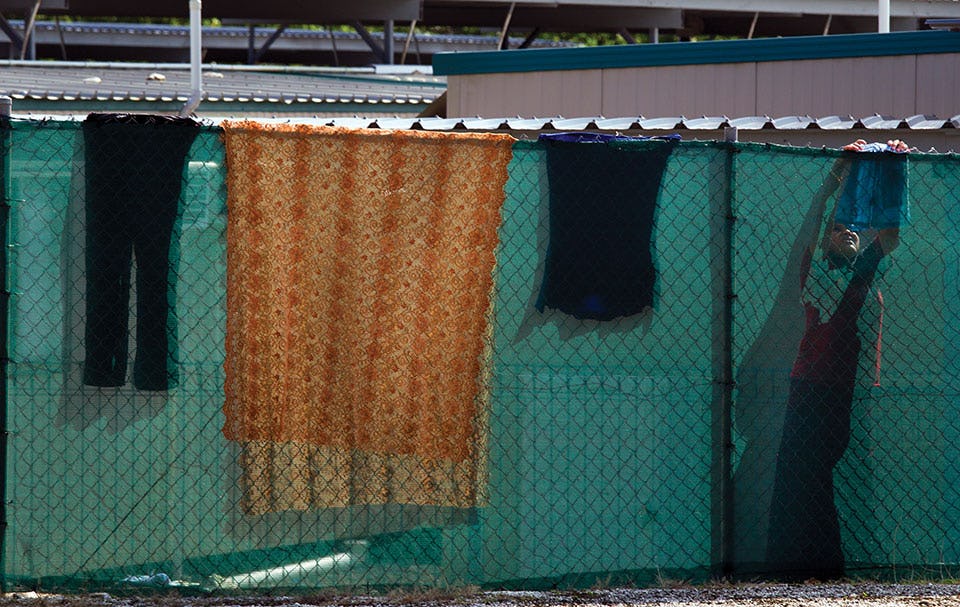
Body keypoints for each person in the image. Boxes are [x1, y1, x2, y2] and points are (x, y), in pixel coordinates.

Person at [763, 139, 909, 580]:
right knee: (802, 478)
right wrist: (835, 177)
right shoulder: (811, 276)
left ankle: (820, 567)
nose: (846, 231)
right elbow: (809, 231)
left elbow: (889, 236)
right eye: (837, 229)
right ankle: (809, 567)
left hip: (833, 393)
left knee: (811, 475)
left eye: (851, 230)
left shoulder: (863, 278)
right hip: (804, 387)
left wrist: (895, 171)